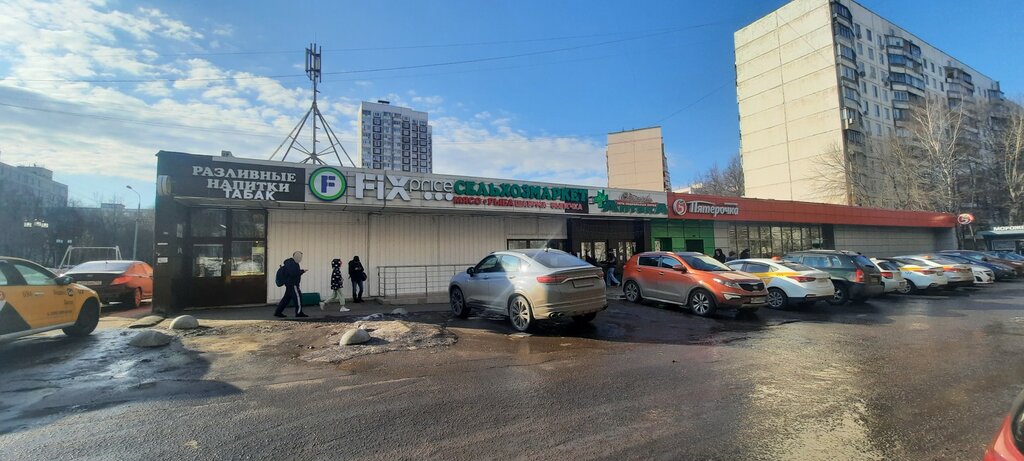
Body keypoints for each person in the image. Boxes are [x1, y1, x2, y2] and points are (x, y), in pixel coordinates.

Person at [274, 251, 308, 318]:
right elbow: (293, 273)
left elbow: (292, 272)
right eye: (299, 256)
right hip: (293, 284)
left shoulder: (289, 263)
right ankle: (299, 313)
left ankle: (278, 312)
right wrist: (302, 271)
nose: (300, 258)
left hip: (289, 284)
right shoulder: (293, 264)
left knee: (285, 299)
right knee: (298, 298)